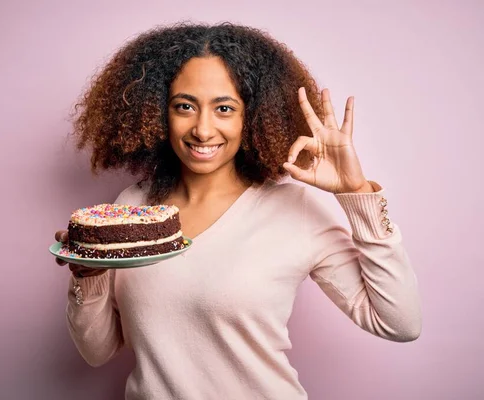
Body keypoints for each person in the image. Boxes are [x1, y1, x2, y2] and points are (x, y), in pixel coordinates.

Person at [54, 22, 421, 399]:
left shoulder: (294, 211)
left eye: (224, 108)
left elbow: (400, 323)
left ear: (254, 117)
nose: (202, 129)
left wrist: (355, 193)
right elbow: (96, 352)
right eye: (185, 106)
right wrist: (88, 274)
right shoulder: (132, 209)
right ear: (158, 111)